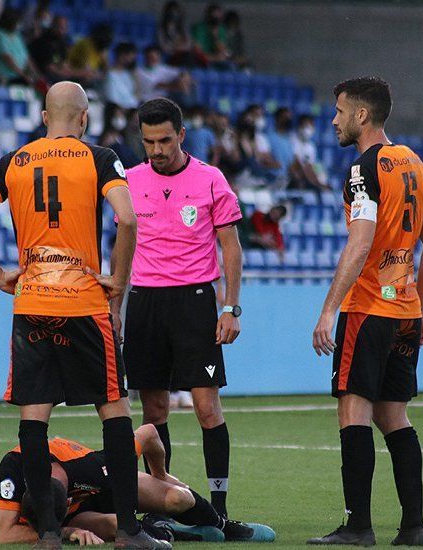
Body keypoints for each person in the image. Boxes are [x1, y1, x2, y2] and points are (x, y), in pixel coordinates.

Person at [0, 81, 169, 550]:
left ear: (42, 115)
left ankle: (50, 532)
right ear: (85, 118)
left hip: (32, 302)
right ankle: (130, 533)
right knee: (113, 408)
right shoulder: (99, 157)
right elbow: (128, 219)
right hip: (83, 302)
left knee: (35, 417)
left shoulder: (14, 159)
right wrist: (119, 283)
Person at [116, 98, 273, 543]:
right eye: (148, 141)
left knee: (207, 408)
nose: (156, 149)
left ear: (182, 135)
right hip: (145, 303)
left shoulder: (210, 179)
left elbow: (231, 247)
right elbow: (123, 247)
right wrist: (115, 305)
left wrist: (231, 307)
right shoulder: (129, 180)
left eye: (164, 140)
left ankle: (217, 513)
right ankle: (162, 506)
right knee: (154, 411)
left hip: (195, 302)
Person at [308, 77, 423, 547]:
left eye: (340, 111)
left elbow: (361, 240)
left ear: (361, 116)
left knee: (354, 412)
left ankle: (358, 527)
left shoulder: (363, 170)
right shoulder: (416, 164)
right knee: (395, 418)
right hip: (403, 308)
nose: (335, 119)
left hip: (367, 308)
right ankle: (413, 528)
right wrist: (417, 308)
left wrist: (329, 310)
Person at [0, 423, 227, 544]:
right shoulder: (13, 467)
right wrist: (67, 531)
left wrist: (161, 474)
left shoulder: (93, 467)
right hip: (78, 512)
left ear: (68, 500)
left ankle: (223, 524)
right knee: (116, 525)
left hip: (101, 486)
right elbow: (2, 535)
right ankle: (168, 531)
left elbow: (148, 433)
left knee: (178, 498)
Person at [0, 7, 41, 86]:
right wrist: (23, 75)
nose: (18, 24)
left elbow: (26, 56)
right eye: (17, 22)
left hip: (18, 76)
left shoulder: (17, 35)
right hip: (3, 78)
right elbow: (7, 58)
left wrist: (36, 74)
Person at [289, 114, 329, 190]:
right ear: (300, 126)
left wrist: (322, 183)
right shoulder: (293, 140)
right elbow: (298, 164)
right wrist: (317, 184)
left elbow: (312, 165)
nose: (309, 129)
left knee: (320, 169)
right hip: (297, 178)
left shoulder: (311, 146)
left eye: (311, 125)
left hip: (309, 178)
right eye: (306, 125)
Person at [99, 103, 141, 168]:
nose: (120, 118)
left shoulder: (124, 136)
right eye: (117, 115)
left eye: (121, 115)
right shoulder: (108, 139)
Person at [103, 42, 140, 110]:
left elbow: (136, 93)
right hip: (114, 108)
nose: (132, 59)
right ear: (122, 55)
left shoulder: (130, 74)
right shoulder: (109, 73)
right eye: (131, 55)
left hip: (131, 108)